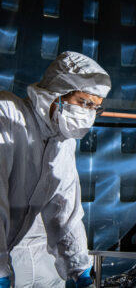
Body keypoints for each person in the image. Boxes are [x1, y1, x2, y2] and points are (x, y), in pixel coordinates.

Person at [0, 51, 111, 287]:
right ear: (57, 93)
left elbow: (64, 209)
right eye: (84, 103)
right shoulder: (7, 114)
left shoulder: (62, 142)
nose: (89, 114)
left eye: (95, 108)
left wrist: (80, 268)